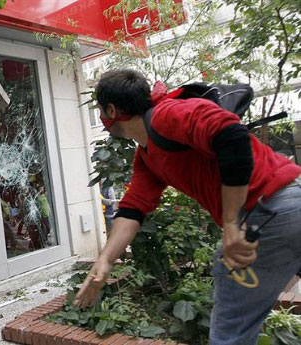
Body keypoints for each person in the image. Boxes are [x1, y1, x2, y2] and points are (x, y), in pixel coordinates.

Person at [73, 69, 301, 345]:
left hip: (268, 212)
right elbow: (133, 208)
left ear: (111, 109)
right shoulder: (146, 155)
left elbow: (232, 136)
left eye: (101, 110)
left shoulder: (167, 115)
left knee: (230, 335)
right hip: (289, 204)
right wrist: (105, 261)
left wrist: (230, 223)